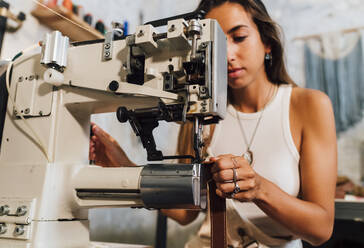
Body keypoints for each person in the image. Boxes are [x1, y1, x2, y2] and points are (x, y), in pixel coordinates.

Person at [89, 0, 337, 247]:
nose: (227, 55)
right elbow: (186, 212)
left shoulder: (309, 105)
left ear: (267, 43)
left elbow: (321, 229)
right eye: (215, 44)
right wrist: (123, 166)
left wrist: (260, 189)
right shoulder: (201, 108)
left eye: (239, 37)